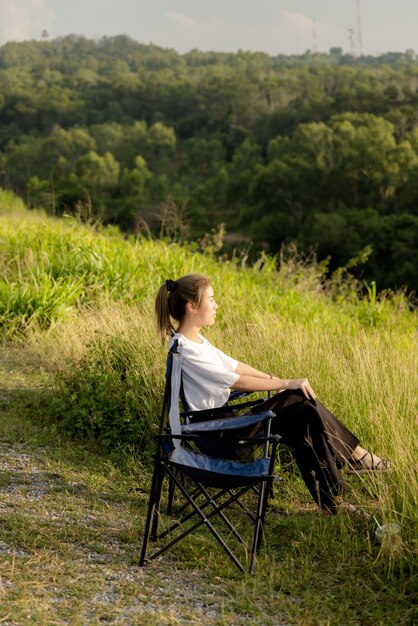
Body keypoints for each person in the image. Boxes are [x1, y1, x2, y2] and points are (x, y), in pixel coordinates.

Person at [155, 274, 390, 516]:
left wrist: (274, 381)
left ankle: (333, 502)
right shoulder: (187, 349)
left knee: (303, 417)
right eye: (211, 300)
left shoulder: (196, 342)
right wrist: (286, 383)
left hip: (224, 425)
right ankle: (355, 459)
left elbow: (236, 366)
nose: (216, 305)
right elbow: (236, 380)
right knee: (299, 400)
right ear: (192, 306)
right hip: (217, 434)